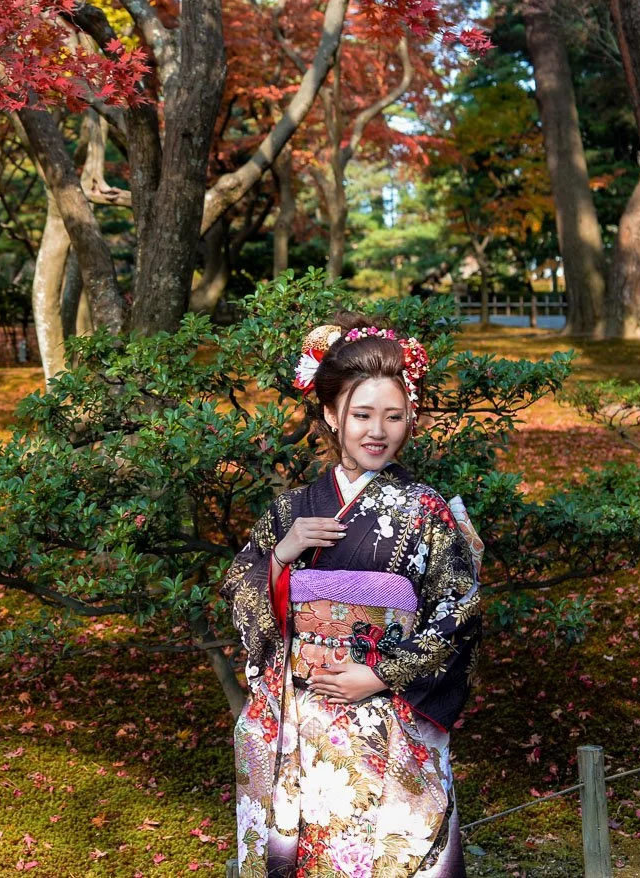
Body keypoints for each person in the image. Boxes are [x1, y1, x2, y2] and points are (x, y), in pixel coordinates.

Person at [220, 313, 483, 878]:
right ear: (331, 415)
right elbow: (239, 589)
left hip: (388, 716)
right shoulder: (291, 511)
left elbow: (459, 610)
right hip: (299, 721)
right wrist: (281, 556)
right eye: (362, 415)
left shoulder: (426, 512)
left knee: (390, 856)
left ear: (409, 419)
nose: (377, 431)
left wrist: (384, 675)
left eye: (393, 416)